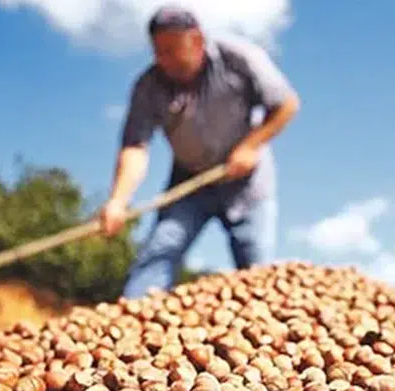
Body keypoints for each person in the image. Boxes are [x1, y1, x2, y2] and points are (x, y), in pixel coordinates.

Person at [100, 4, 301, 298]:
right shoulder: (148, 87)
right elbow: (135, 147)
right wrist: (118, 200)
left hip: (247, 183)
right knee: (158, 253)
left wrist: (250, 146)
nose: (163, 60)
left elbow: (286, 104)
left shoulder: (238, 57)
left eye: (171, 50)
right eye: (158, 51)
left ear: (197, 40)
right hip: (189, 182)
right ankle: (131, 311)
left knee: (257, 272)